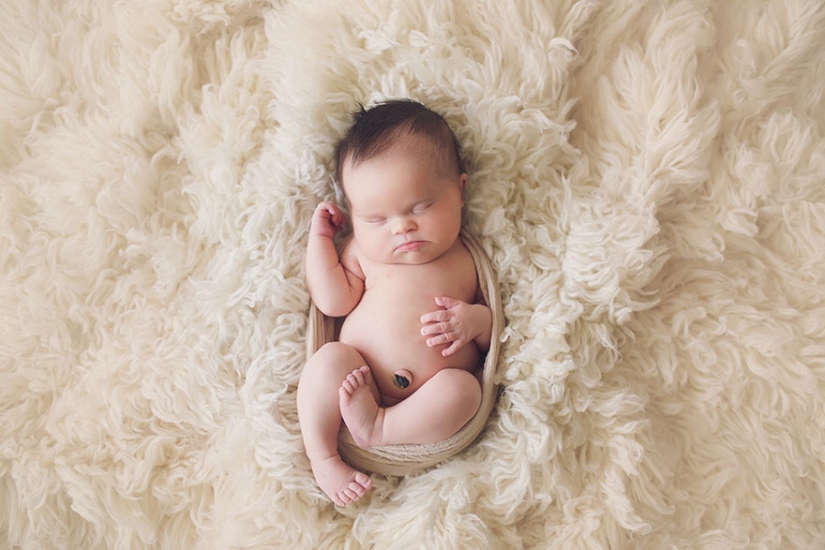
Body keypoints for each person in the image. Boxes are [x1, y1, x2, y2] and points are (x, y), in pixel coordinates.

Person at [297, 100, 493, 506]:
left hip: (428, 405)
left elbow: (495, 337)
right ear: (354, 217)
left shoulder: (466, 259)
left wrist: (474, 321)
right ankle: (323, 456)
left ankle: (382, 426)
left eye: (420, 207)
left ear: (459, 191)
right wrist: (320, 243)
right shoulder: (360, 253)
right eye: (376, 219)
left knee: (465, 391)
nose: (401, 227)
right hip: (359, 377)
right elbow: (333, 302)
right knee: (328, 362)